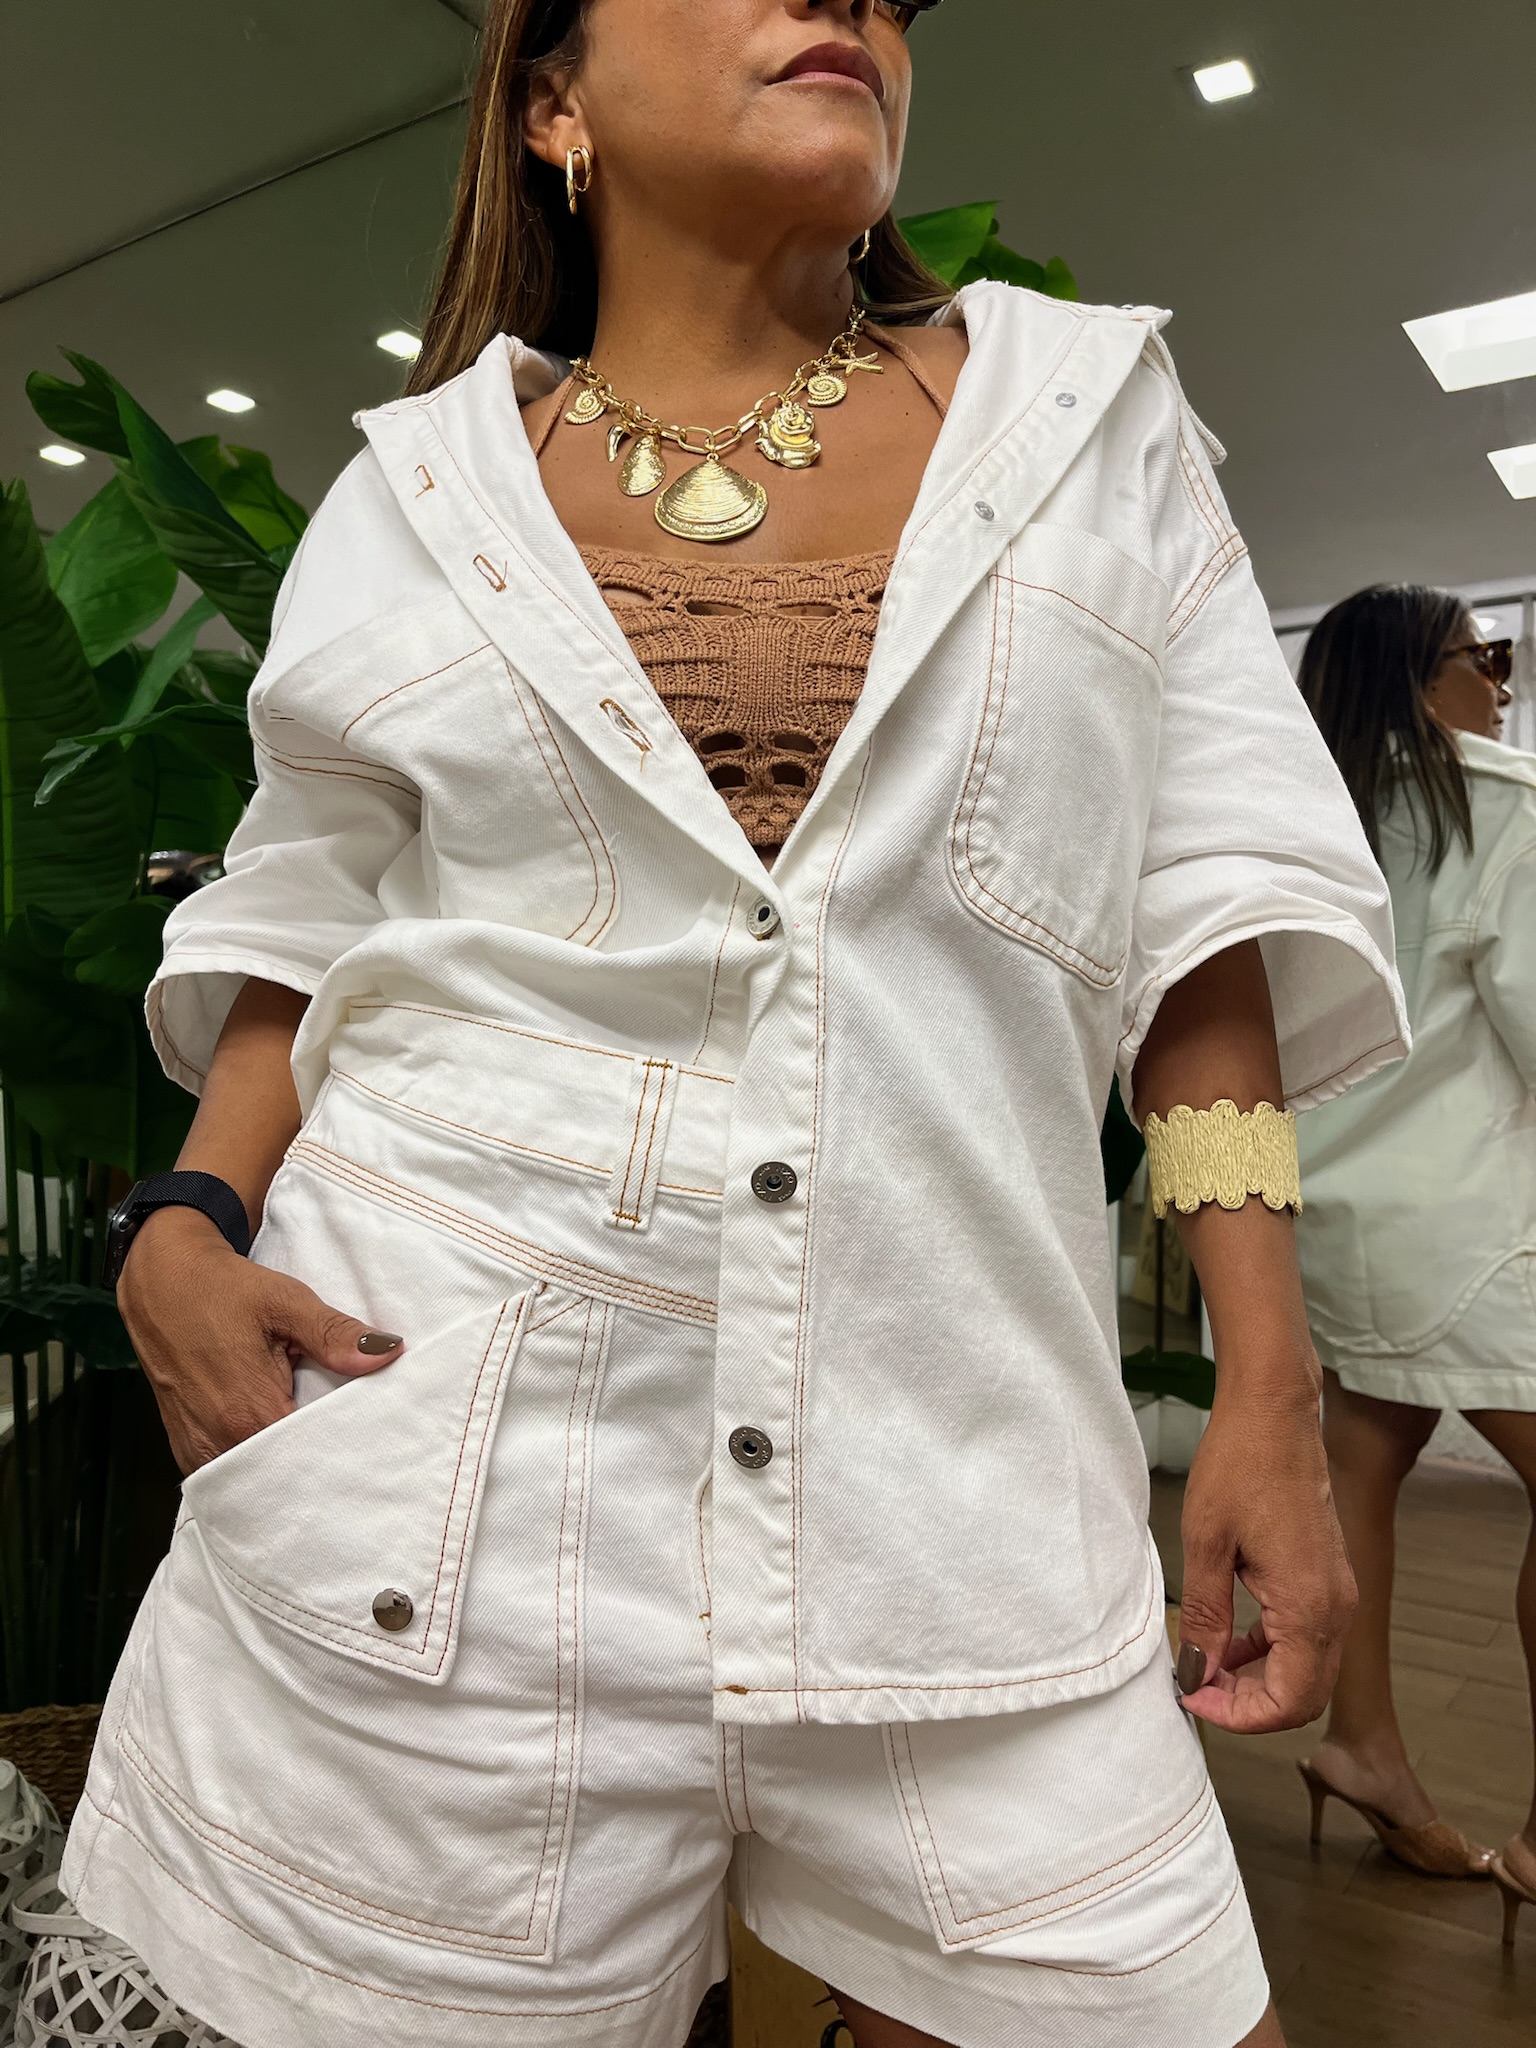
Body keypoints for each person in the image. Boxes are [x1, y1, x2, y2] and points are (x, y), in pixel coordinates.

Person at [64, 5, 1407, 2045]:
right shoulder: (415, 495)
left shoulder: (1084, 417)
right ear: (554, 103)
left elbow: (1203, 927)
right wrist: (182, 1217)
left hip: (964, 1474)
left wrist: (1271, 1389)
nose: (848, 1)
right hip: (444, 1462)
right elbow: (311, 916)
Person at [1296, 585, 1536, 1937]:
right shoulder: (1496, 804)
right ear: (1418, 673)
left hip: (1329, 1211)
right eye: (1482, 656)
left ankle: (1363, 1743)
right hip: (1465, 1218)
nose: (1499, 683)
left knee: (1363, 1464)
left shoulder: (1296, 816)